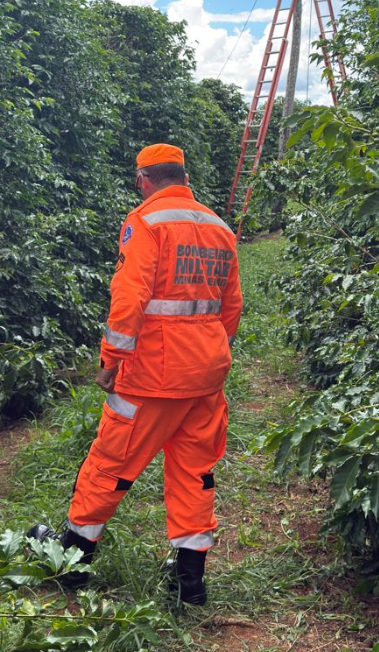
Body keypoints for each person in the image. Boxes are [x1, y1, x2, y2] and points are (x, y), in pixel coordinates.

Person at [28, 143, 242, 605]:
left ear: (143, 179)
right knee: (195, 473)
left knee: (110, 466)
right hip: (205, 377)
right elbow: (231, 308)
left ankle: (72, 562)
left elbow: (129, 299)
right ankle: (190, 583)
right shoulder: (220, 228)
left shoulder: (145, 222)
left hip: (151, 376)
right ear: (183, 177)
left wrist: (110, 361)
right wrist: (208, 352)